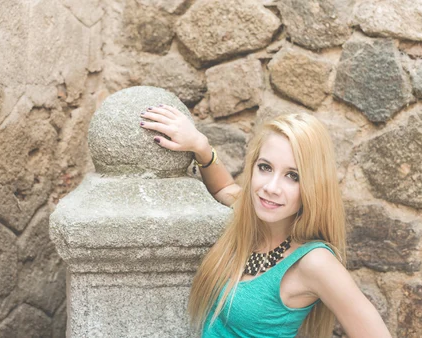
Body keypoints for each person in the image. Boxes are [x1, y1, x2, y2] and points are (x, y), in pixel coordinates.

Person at [139, 105, 391, 338]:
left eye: (292, 176)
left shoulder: (314, 262)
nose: (271, 188)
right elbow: (225, 188)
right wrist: (201, 146)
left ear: (314, 186)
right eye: (265, 167)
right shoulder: (252, 221)